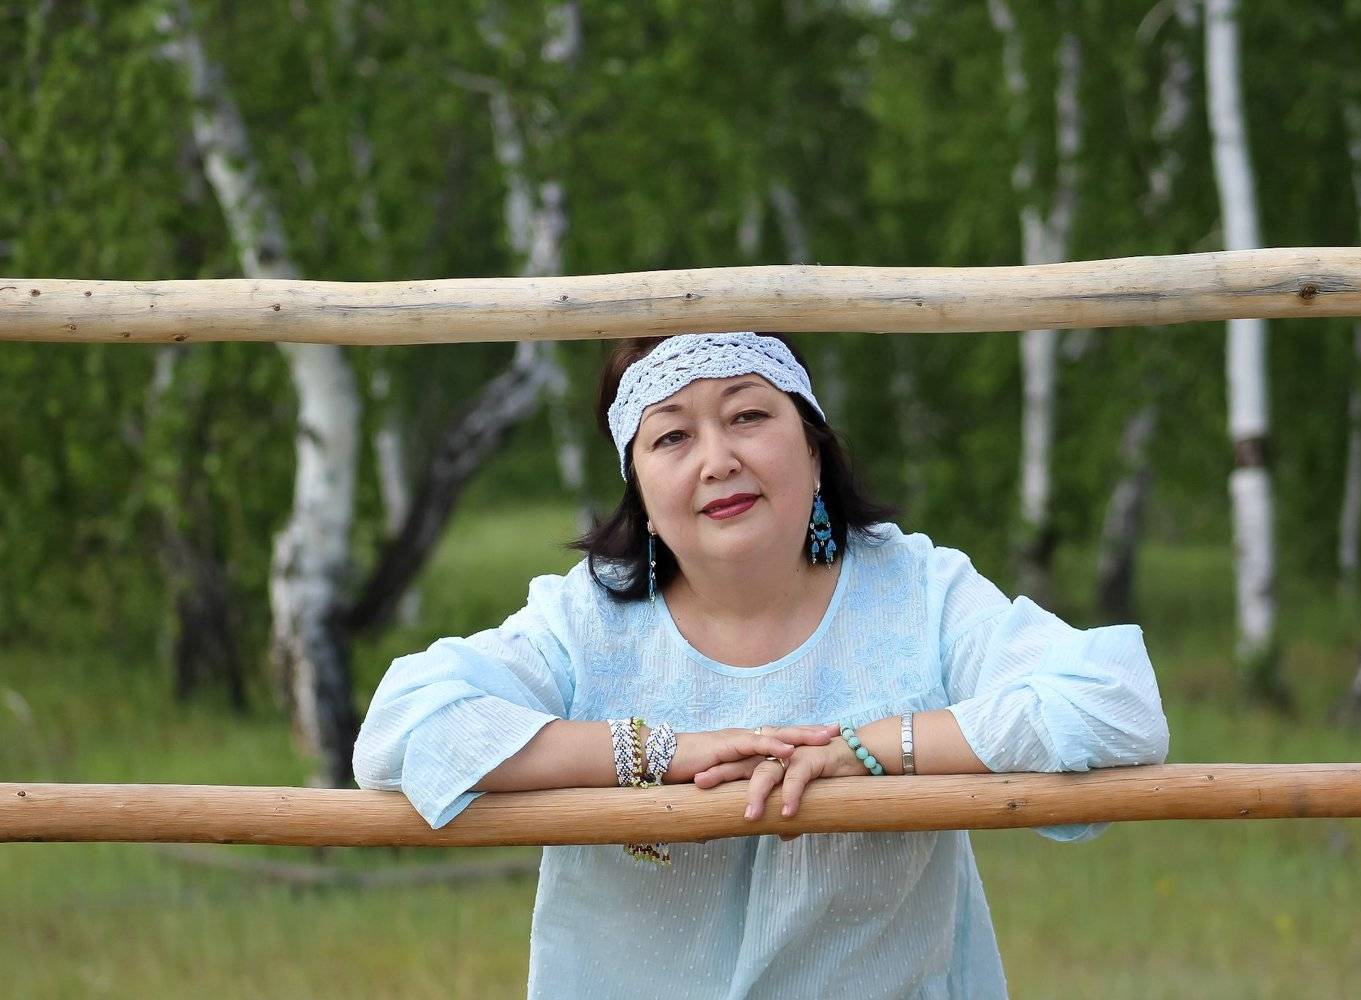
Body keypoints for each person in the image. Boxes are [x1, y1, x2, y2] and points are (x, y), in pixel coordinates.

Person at [352, 331, 1170, 999]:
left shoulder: (915, 589)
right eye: (672, 435)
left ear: (814, 450)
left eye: (748, 415)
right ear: (640, 493)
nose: (717, 460)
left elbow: (1115, 705)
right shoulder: (587, 619)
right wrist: (657, 753)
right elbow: (402, 729)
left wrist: (872, 749)